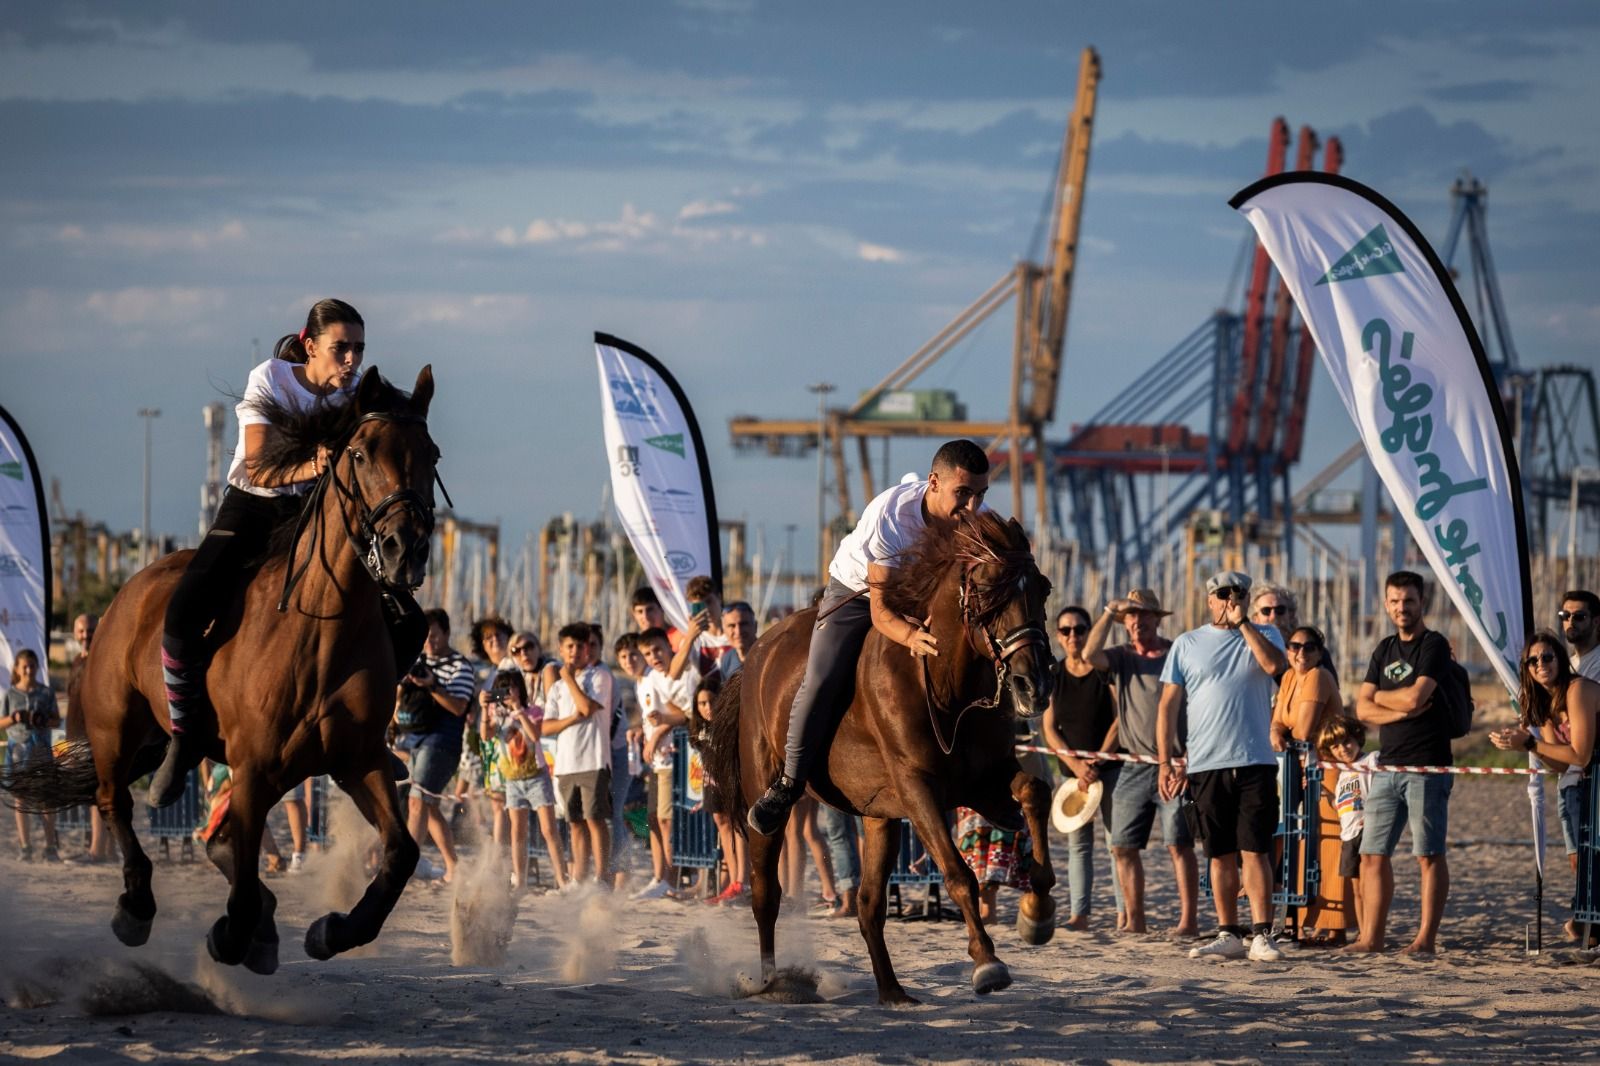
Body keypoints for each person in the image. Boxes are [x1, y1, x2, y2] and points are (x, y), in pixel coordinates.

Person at [152, 298, 379, 806]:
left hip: (315, 520)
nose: (351, 360)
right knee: (183, 611)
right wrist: (311, 467)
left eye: (359, 349)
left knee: (400, 615)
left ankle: (371, 734)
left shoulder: (357, 395)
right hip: (254, 510)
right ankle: (185, 736)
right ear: (310, 345)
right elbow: (257, 469)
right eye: (341, 348)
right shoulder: (272, 379)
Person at [748, 440, 991, 835]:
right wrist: (912, 637)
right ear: (933, 483)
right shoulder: (891, 515)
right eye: (962, 495)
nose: (971, 508)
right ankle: (788, 784)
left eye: (979, 495)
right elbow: (882, 612)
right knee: (822, 678)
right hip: (858, 594)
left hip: (919, 591)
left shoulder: (977, 520)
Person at [1158, 570, 1288, 963]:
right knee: (1219, 852)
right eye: (1223, 594)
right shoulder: (1187, 643)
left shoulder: (1266, 634)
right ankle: (1228, 930)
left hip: (1255, 759)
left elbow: (1275, 669)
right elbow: (1167, 706)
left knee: (1256, 849)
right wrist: (1166, 760)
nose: (1230, 600)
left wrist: (1243, 624)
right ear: (1210, 600)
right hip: (1206, 762)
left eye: (1239, 594)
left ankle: (1262, 933)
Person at [1082, 588, 1198, 938]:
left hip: (1175, 764)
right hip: (1133, 765)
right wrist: (1107, 612)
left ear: (1156, 618)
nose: (1136, 622)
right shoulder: (1121, 656)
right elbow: (1089, 654)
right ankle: (1136, 919)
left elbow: (1196, 706)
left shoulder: (1176, 653)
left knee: (1179, 844)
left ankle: (1188, 921)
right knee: (1122, 846)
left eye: (1142, 615)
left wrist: (1188, 760)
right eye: (1130, 617)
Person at [1350, 570, 1455, 956]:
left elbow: (1417, 698)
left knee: (1428, 854)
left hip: (1427, 765)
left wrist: (1388, 701)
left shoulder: (1435, 645)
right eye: (1394, 601)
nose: (1401, 608)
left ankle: (1425, 939)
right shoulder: (1384, 648)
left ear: (1421, 602)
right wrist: (1399, 709)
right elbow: (1362, 707)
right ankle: (1370, 938)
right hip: (1387, 765)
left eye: (1408, 600)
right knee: (1372, 854)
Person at [1490, 630, 1600, 943]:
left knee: (1593, 858)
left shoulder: (1577, 690)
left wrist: (1530, 742)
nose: (1541, 664)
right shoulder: (1548, 704)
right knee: (1582, 859)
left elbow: (1580, 753)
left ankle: (1586, 926)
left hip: (1594, 778)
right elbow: (1562, 764)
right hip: (1582, 782)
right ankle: (1587, 926)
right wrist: (1528, 745)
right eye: (1533, 660)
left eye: (1547, 657)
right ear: (1526, 669)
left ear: (1561, 659)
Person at [1041, 605, 1124, 931]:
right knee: (1078, 846)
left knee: (1116, 844)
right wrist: (1076, 764)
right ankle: (1080, 914)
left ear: (1090, 633)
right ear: (1058, 637)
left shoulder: (1104, 670)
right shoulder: (1055, 674)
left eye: (1079, 629)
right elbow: (1049, 728)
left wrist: (1098, 759)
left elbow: (1120, 719)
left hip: (1111, 769)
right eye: (1066, 630)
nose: (1073, 636)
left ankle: (1123, 914)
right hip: (1071, 773)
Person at [1269, 625, 1350, 945]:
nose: (1300, 653)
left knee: (1328, 845)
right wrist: (1276, 733)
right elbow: (1277, 721)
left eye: (1309, 647)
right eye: (1294, 646)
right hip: (1301, 767)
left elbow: (1302, 731)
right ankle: (1301, 923)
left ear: (1320, 652)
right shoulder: (1289, 677)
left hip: (1326, 769)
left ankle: (1336, 926)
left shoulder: (1318, 676)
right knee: (1301, 845)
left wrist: (1281, 735)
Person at [394, 608, 475, 883]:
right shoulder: (418, 661)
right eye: (424, 636)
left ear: (447, 633)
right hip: (413, 740)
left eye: (434, 635)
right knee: (428, 806)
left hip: (442, 743)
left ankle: (408, 863)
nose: (428, 641)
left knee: (417, 800)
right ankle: (454, 868)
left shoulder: (460, 666)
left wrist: (432, 686)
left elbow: (459, 707)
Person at [542, 622, 615, 884]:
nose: (574, 651)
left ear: (587, 649)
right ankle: (579, 879)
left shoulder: (599, 676)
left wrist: (570, 678)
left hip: (593, 760)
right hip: (565, 764)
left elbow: (586, 707)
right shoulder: (557, 688)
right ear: (561, 649)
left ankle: (602, 878)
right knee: (574, 824)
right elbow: (546, 726)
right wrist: (571, 719)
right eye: (569, 646)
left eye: (579, 646)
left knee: (595, 819)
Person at [631, 628, 690, 900]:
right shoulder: (651, 678)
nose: (653, 656)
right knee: (655, 819)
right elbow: (655, 715)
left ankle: (670, 877)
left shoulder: (682, 673)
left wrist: (658, 730)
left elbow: (688, 714)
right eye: (647, 653)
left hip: (677, 757)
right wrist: (646, 731)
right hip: (658, 760)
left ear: (668, 647)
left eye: (657, 649)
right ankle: (660, 876)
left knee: (667, 821)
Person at [694, 673, 748, 903]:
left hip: (732, 783)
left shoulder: (731, 725)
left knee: (738, 827)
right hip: (711, 785)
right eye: (702, 703)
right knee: (723, 827)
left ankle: (740, 880)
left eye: (712, 701)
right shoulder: (700, 729)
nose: (708, 707)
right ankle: (734, 883)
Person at [6, 649, 61, 862]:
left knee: (47, 798)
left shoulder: (46, 693)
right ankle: (25, 846)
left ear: (38, 667)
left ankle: (50, 847)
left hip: (41, 748)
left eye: (32, 666)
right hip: (18, 749)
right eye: (25, 667)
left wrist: (44, 720)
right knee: (21, 799)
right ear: (18, 669)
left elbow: (57, 720)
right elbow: (0, 722)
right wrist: (14, 718)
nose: (29, 670)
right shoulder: (11, 694)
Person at [1324, 716, 1372, 942]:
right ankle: (1363, 933)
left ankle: (1370, 932)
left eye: (1347, 742)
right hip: (1348, 835)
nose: (1342, 749)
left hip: (1367, 831)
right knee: (1356, 890)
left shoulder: (1372, 760)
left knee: (1369, 887)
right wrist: (1326, 796)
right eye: (1335, 746)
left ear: (1358, 738)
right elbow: (1342, 804)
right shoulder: (1342, 773)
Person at [670, 576, 740, 682]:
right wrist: (690, 637)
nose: (706, 609)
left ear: (719, 598)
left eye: (709, 602)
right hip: (705, 695)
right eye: (700, 605)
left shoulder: (735, 632)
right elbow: (674, 674)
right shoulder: (693, 639)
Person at [1560, 591, 1600, 682]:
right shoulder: (1568, 663)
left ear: (1596, 621)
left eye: (1579, 616)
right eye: (1565, 615)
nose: (1570, 622)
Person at [630, 586, 682, 651]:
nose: (645, 616)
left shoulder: (680, 637)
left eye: (650, 610)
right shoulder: (636, 646)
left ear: (662, 608)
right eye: (640, 612)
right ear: (634, 614)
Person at [721, 601, 759, 679]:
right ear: (724, 630)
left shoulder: (768, 656)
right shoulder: (727, 660)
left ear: (755, 626)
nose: (738, 631)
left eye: (743, 624)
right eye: (732, 625)